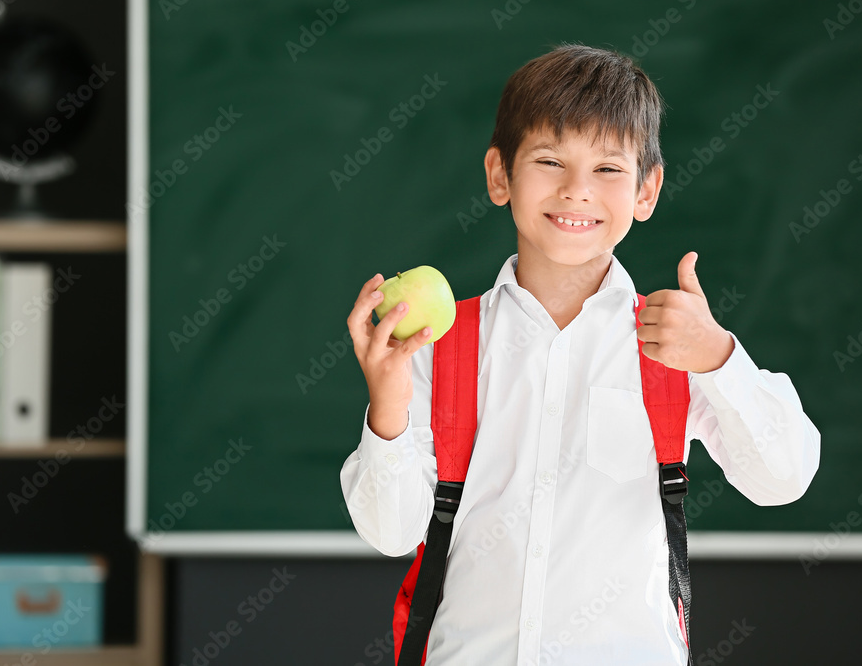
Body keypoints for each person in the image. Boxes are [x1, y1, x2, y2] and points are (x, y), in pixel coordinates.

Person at [342, 43, 821, 665]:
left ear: (647, 191)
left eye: (608, 169)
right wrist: (388, 405)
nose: (576, 191)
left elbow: (784, 479)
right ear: (499, 176)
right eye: (549, 160)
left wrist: (719, 359)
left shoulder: (678, 344)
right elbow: (391, 534)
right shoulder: (441, 346)